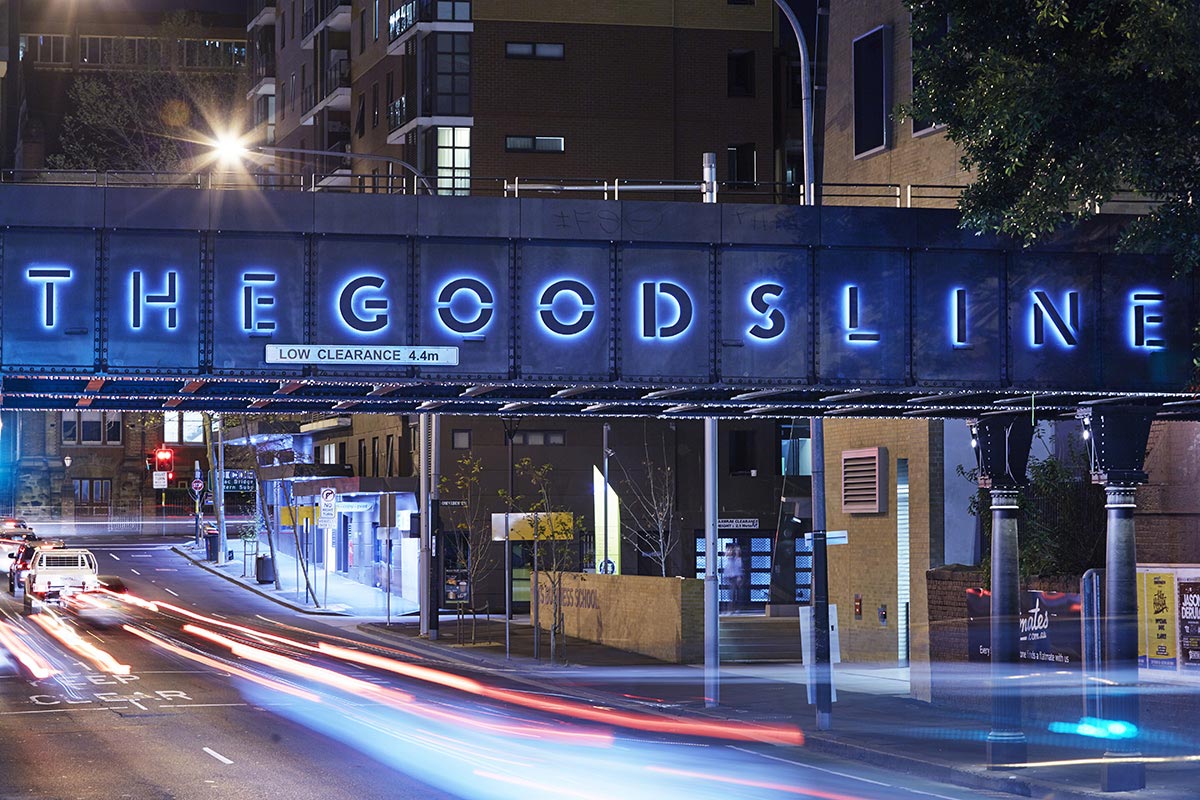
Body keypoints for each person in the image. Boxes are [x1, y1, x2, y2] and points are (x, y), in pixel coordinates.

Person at [725, 542, 745, 612]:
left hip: (735, 577)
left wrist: (739, 576)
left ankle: (736, 607)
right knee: (732, 593)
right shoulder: (729, 559)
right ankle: (731, 608)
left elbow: (738, 568)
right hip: (731, 577)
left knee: (736, 593)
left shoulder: (737, 559)